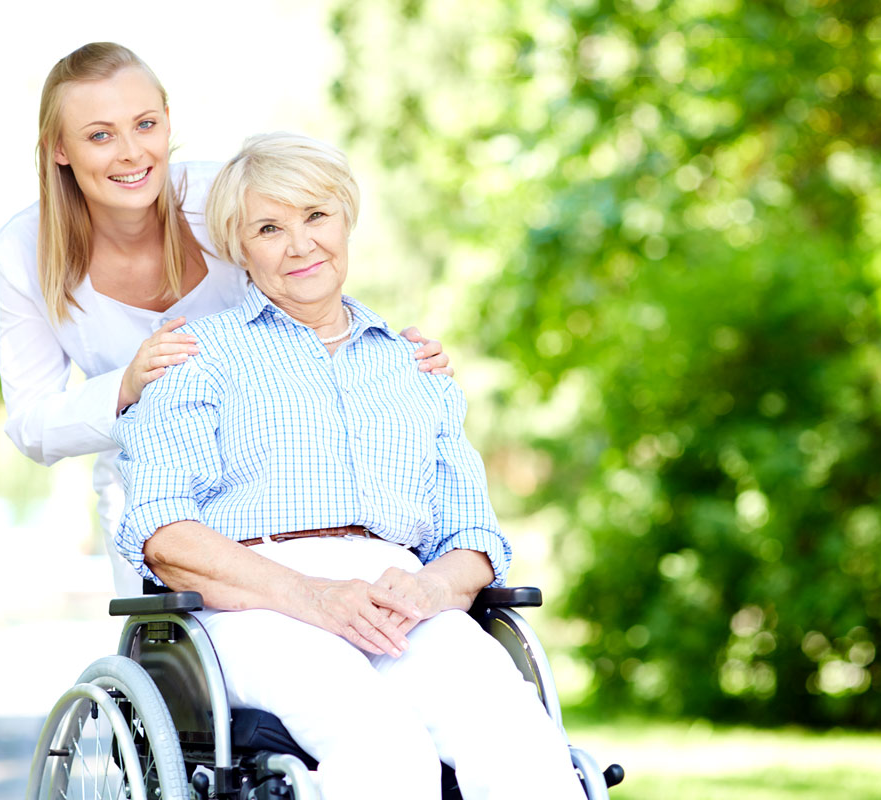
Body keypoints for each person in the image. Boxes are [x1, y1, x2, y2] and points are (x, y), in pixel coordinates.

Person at [112, 132, 583, 799]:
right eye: (269, 227)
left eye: (316, 216)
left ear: (346, 218)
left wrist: (429, 591)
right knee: (384, 750)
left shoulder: (414, 367)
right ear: (240, 248)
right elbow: (164, 534)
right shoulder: (197, 357)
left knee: (522, 741)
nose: (300, 244)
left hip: (401, 600)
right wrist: (311, 596)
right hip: (258, 605)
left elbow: (474, 539)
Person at [0, 42, 451, 596]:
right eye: (100, 135)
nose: (131, 153)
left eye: (145, 124)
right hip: (155, 490)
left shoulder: (221, 196)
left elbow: (308, 275)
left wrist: (388, 356)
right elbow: (32, 423)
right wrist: (129, 385)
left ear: (167, 122)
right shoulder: (23, 250)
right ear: (58, 149)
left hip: (278, 475)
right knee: (172, 657)